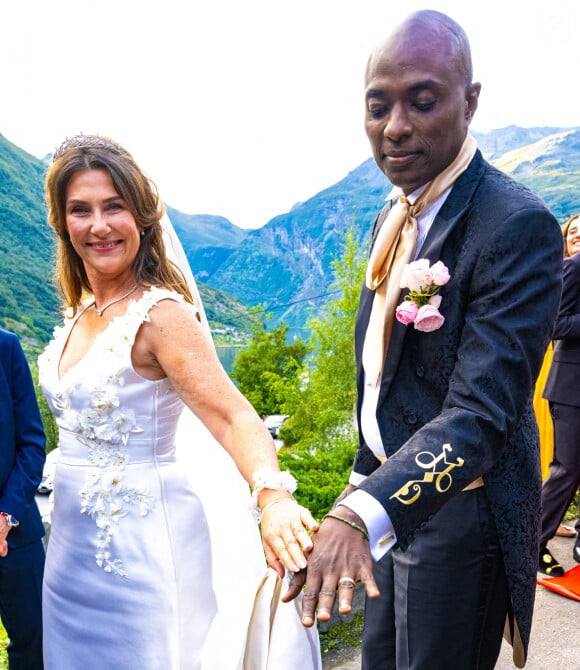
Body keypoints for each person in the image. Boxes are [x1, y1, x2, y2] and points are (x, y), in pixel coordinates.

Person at [284, 10, 564, 670]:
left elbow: (479, 416)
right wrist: (355, 496)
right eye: (378, 106)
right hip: (386, 504)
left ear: (471, 102)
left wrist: (362, 515)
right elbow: (384, 383)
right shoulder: (395, 210)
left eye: (423, 100)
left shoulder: (517, 225)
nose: (396, 127)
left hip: (462, 523)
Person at [39, 134, 321, 670]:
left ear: (141, 218)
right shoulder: (78, 311)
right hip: (69, 562)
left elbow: (234, 415)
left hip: (143, 554)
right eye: (81, 210)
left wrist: (272, 496)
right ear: (62, 222)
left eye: (113, 207)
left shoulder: (160, 315)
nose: (98, 225)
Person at [0, 327, 46, 669]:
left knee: (35, 642)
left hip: (15, 532)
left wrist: (6, 515)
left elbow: (32, 442)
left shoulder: (7, 347)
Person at [539, 213, 580, 575]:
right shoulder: (573, 266)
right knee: (566, 469)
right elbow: (556, 323)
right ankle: (534, 545)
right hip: (571, 387)